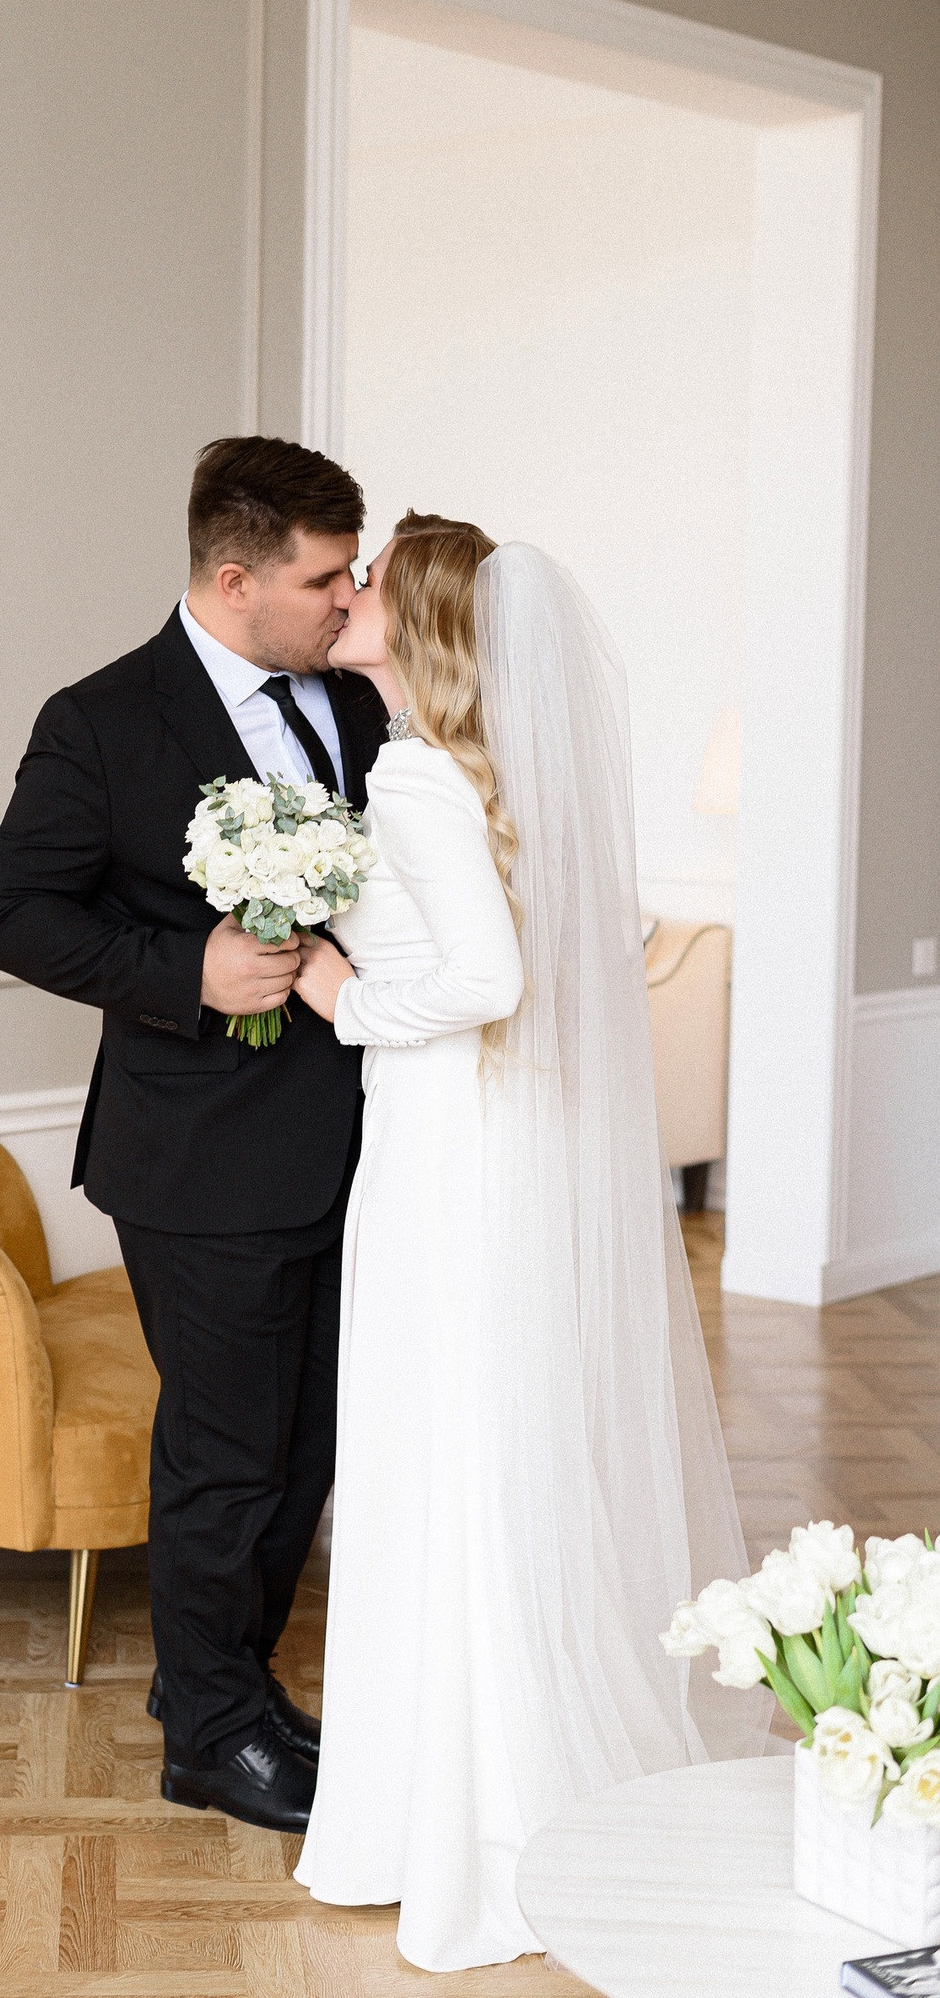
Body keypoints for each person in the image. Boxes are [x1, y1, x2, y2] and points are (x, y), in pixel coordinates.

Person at [288, 513, 770, 1972]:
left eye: (373, 582)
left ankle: (469, 1814)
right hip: (483, 1141)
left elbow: (486, 979)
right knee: (481, 1434)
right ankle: (467, 1776)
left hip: (446, 1147)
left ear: (424, 623)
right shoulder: (475, 772)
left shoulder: (415, 777)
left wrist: (342, 999)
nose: (350, 594)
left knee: (444, 1442)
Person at [0, 436, 389, 1833]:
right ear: (235, 578)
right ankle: (210, 1739)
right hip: (197, 1158)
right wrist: (186, 973)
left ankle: (217, 1684)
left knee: (307, 1447)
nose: (347, 599)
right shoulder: (103, 719)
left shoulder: (355, 700)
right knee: (227, 1455)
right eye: (323, 579)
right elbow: (9, 915)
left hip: (354, 1145)